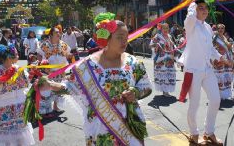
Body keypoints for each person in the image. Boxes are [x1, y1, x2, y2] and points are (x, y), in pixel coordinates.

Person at [40, 12, 152, 145]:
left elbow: (147, 87)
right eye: (120, 37)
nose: (125, 41)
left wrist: (136, 93)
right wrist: (50, 85)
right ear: (107, 39)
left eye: (126, 37)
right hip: (100, 130)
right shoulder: (87, 65)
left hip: (129, 127)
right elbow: (70, 87)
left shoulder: (133, 62)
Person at [178, 0, 224, 145]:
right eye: (200, 8)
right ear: (194, 9)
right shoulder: (190, 24)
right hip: (193, 69)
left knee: (216, 99)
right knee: (195, 104)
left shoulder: (208, 27)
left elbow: (210, 48)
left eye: (206, 8)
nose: (204, 10)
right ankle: (193, 133)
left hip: (207, 69)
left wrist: (220, 57)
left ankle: (209, 132)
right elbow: (190, 16)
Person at [0, 44, 34, 146]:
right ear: (9, 57)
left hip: (19, 106)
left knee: (21, 134)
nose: (18, 56)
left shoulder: (18, 69)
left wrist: (33, 73)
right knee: (6, 138)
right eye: (16, 54)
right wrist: (6, 75)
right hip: (3, 107)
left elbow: (26, 83)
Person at [39, 27, 71, 114]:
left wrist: (69, 55)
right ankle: (47, 108)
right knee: (48, 89)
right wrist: (42, 64)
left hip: (60, 70)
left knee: (58, 88)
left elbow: (67, 54)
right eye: (56, 32)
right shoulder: (45, 45)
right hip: (49, 71)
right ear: (51, 34)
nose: (59, 34)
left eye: (59, 32)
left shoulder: (63, 44)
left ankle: (56, 106)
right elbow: (39, 55)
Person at [150, 23, 177, 97]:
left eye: (167, 28)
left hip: (169, 59)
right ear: (161, 29)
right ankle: (165, 91)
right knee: (164, 74)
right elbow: (151, 45)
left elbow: (172, 46)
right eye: (164, 28)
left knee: (170, 74)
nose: (166, 30)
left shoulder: (170, 36)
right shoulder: (158, 36)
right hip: (161, 59)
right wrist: (157, 45)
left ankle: (167, 90)